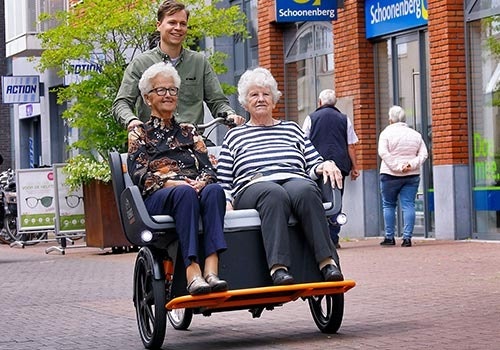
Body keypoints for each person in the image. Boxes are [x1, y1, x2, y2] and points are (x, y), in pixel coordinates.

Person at [217, 67, 344, 286]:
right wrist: (227, 201)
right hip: (253, 186)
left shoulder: (292, 129)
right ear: (245, 103)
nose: (260, 99)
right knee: (273, 193)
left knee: (306, 190)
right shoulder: (234, 136)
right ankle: (278, 268)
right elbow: (224, 178)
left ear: (274, 100)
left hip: (294, 179)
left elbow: (313, 163)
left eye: (266, 94)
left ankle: (327, 262)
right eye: (254, 95)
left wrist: (326, 164)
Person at [127, 62, 228, 295]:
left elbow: (209, 169)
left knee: (214, 191)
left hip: (192, 190)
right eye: (161, 90)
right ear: (147, 98)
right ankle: (192, 270)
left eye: (172, 90)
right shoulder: (139, 133)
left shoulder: (189, 131)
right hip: (158, 198)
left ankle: (211, 269)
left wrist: (202, 182)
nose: (168, 95)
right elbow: (140, 176)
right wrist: (173, 183)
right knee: (184, 193)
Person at [113, 0, 244, 131]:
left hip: (194, 139)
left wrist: (229, 115)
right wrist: (131, 120)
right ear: (158, 25)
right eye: (172, 22)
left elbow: (217, 102)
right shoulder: (140, 63)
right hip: (154, 143)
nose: (178, 28)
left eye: (183, 24)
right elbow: (122, 102)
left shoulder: (199, 62)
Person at [302, 89, 360, 248]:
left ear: (319, 102)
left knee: (317, 199)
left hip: (317, 167)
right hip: (339, 166)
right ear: (335, 103)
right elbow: (351, 145)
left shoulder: (311, 118)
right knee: (336, 201)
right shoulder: (344, 119)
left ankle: (320, 238)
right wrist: (355, 167)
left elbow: (302, 142)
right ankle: (333, 237)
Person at [378, 105, 428, 247]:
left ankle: (389, 237)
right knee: (408, 205)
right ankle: (407, 238)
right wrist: (410, 165)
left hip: (389, 174)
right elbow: (424, 154)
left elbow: (383, 153)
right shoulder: (415, 134)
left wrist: (397, 167)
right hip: (411, 175)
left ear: (390, 119)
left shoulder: (385, 134)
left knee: (388, 205)